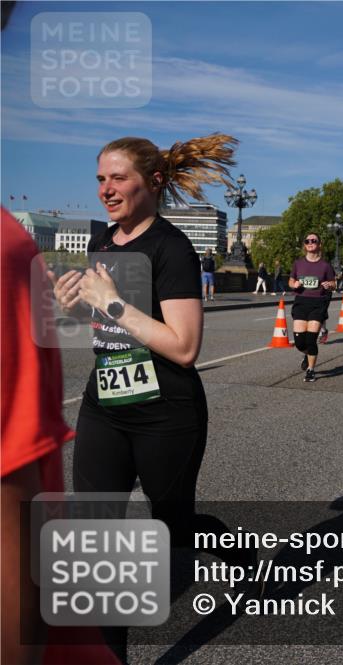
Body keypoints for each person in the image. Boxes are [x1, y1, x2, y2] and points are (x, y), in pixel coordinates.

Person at [47, 134, 240, 661]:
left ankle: (241, 559)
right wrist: (70, 303)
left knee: (175, 525)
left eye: (119, 179)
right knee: (97, 533)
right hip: (105, 406)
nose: (106, 190)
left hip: (166, 414)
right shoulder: (105, 242)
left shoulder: (172, 247)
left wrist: (110, 303)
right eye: (100, 180)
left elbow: (183, 347)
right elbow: (108, 327)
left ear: (152, 182)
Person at [289, 234, 336, 382]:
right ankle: (307, 354)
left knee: (310, 340)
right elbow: (291, 280)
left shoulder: (325, 266)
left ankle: (310, 370)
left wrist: (330, 285)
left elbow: (333, 283)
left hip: (318, 303)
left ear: (319, 244)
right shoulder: (298, 263)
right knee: (299, 343)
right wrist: (294, 284)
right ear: (304, 245)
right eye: (307, 241)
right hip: (301, 302)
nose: (310, 243)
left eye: (313, 241)